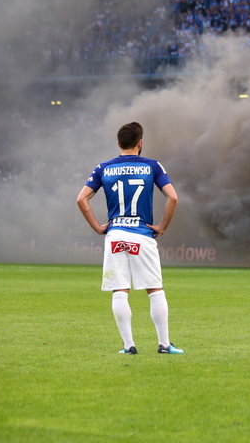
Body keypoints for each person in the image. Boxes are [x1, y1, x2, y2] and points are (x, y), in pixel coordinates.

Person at [76, 122, 184, 355]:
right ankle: (164, 344)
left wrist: (98, 227)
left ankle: (128, 346)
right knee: (155, 289)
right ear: (140, 143)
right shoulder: (152, 166)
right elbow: (173, 198)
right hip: (143, 234)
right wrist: (162, 227)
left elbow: (81, 199)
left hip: (115, 235)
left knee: (120, 290)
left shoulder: (103, 168)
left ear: (118, 144)